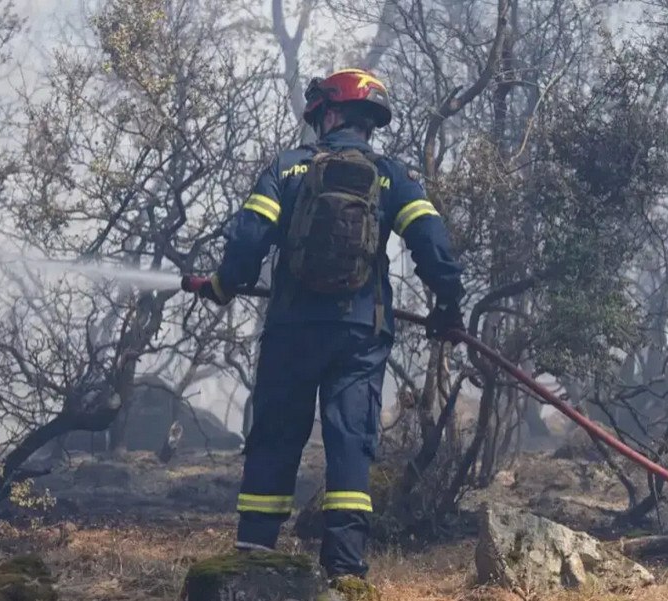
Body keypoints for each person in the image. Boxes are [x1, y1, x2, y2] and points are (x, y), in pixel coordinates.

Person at [196, 68, 466, 588]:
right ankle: (345, 571)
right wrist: (448, 308)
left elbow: (249, 240)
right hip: (360, 334)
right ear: (369, 121)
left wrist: (223, 285)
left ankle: (254, 558)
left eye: (320, 115)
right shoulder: (393, 175)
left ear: (331, 113)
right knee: (349, 442)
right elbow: (432, 243)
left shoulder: (289, 169)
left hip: (292, 329)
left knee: (275, 436)